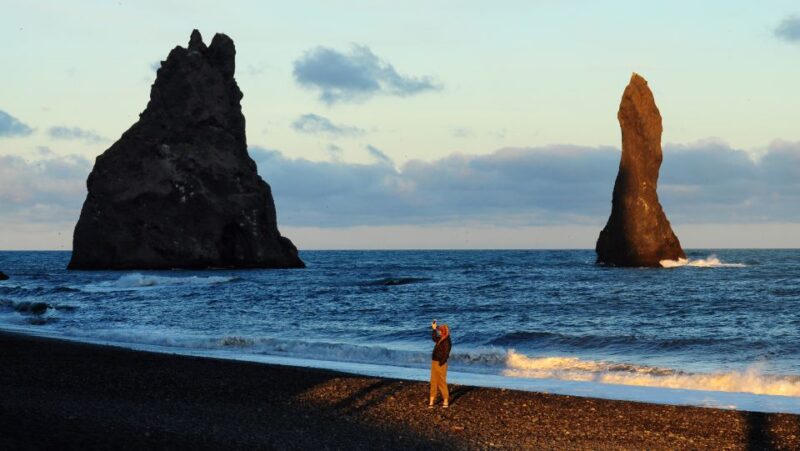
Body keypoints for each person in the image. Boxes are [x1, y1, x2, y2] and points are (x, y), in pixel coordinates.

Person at [429, 319, 451, 408]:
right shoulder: (440, 339)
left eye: (440, 331)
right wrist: (434, 329)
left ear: (444, 332)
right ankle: (431, 401)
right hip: (434, 362)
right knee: (433, 382)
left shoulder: (447, 341)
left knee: (442, 382)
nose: (439, 332)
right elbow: (434, 338)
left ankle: (445, 400)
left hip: (441, 364)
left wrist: (440, 363)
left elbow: (446, 355)